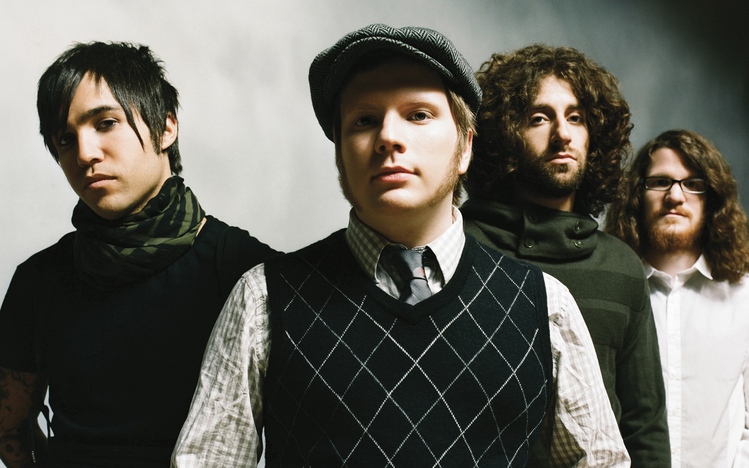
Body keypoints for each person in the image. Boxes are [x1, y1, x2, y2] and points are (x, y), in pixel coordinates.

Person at [173, 24, 628, 467]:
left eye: (418, 115)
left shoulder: (544, 306)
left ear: (465, 148)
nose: (389, 137)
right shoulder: (263, 299)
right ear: (340, 154)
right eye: (364, 120)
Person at [0, 42, 277, 467]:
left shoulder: (247, 272)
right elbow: (9, 427)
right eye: (65, 139)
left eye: (106, 123)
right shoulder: (39, 280)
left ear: (166, 128)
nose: (85, 153)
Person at [461, 44, 670, 465]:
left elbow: (644, 427)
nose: (563, 134)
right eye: (539, 118)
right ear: (505, 135)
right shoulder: (458, 246)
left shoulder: (621, 266)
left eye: (576, 118)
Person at [605, 129, 749, 466]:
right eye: (660, 182)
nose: (675, 196)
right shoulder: (613, 292)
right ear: (637, 196)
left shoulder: (744, 296)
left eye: (693, 184)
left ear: (712, 199)